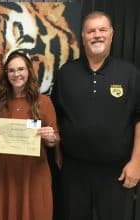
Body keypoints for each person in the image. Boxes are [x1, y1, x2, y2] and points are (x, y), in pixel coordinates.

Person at [51, 11, 140, 220]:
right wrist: (57, 154)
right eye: (91, 31)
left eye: (102, 30)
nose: (97, 35)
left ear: (112, 34)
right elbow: (56, 117)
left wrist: (137, 162)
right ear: (83, 37)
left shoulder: (130, 73)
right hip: (74, 171)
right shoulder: (66, 73)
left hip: (116, 172)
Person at [0, 50, 59, 220]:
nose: (16, 74)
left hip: (33, 175)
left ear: (28, 71)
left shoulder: (44, 102)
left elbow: (54, 140)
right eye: (11, 70)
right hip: (3, 175)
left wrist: (51, 137)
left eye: (20, 69)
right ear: (6, 74)